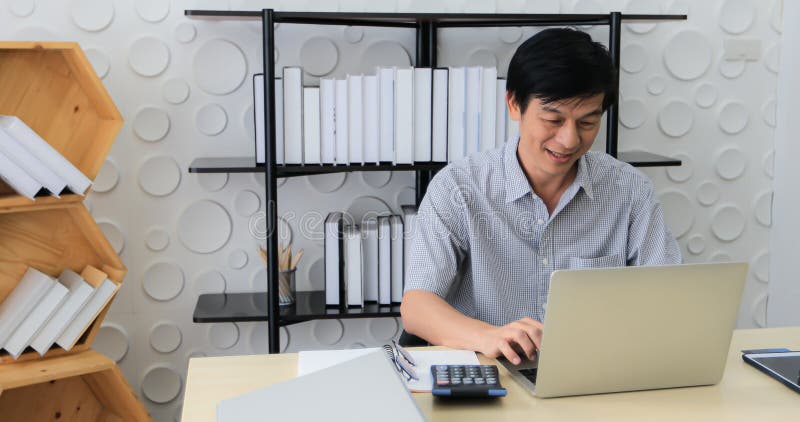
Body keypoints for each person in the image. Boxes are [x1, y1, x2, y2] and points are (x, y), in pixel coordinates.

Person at [400, 27, 681, 365]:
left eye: (587, 123)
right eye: (553, 119)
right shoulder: (459, 188)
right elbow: (417, 305)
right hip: (490, 372)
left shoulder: (629, 191)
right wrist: (488, 335)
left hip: (593, 371)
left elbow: (667, 298)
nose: (568, 140)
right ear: (514, 104)